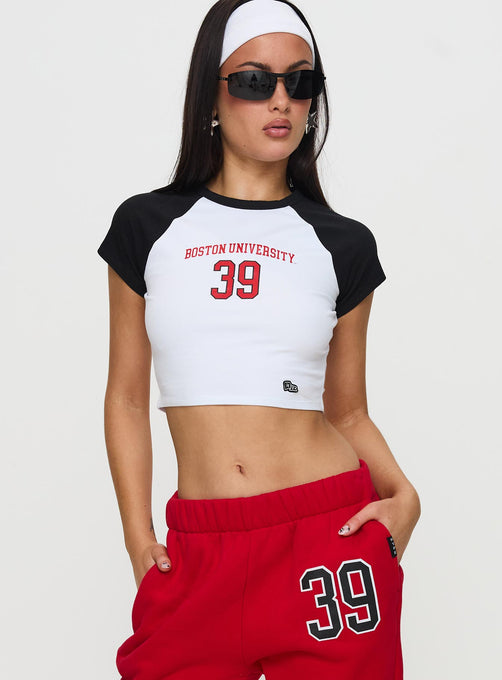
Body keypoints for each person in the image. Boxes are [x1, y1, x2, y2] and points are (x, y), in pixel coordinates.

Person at [97, 1, 421, 678]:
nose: (281, 101)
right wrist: (137, 535)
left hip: (324, 543)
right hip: (199, 552)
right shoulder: (147, 227)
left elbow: (347, 410)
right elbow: (126, 398)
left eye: (300, 82)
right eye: (254, 81)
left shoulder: (341, 244)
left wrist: (403, 498)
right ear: (211, 95)